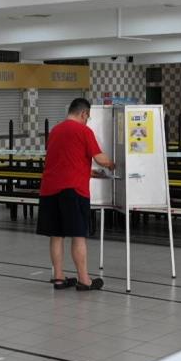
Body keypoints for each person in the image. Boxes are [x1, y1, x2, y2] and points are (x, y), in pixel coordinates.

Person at [37, 98, 115, 291]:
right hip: (73, 190)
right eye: (87, 117)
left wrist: (87, 171)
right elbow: (100, 158)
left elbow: (64, 160)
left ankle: (59, 277)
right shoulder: (83, 131)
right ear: (84, 113)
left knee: (56, 235)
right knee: (78, 235)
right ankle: (84, 279)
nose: (87, 120)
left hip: (49, 189)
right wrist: (114, 164)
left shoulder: (55, 130)